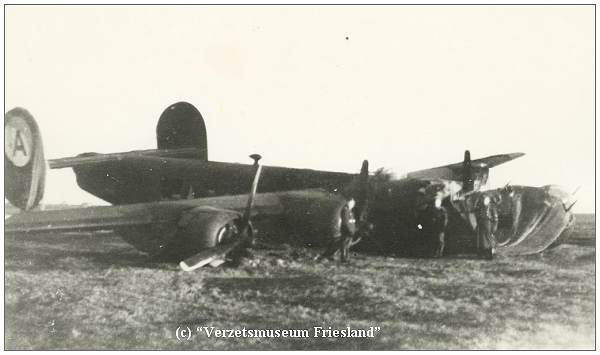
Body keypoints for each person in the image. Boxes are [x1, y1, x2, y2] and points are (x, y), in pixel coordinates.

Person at [475, 195, 499, 259]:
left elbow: (495, 217)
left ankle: (490, 252)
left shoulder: (491, 206)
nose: (484, 201)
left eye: (486, 199)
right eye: (483, 200)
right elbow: (477, 213)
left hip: (488, 222)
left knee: (488, 236)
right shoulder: (480, 206)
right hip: (481, 222)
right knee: (481, 238)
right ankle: (482, 253)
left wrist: (495, 225)